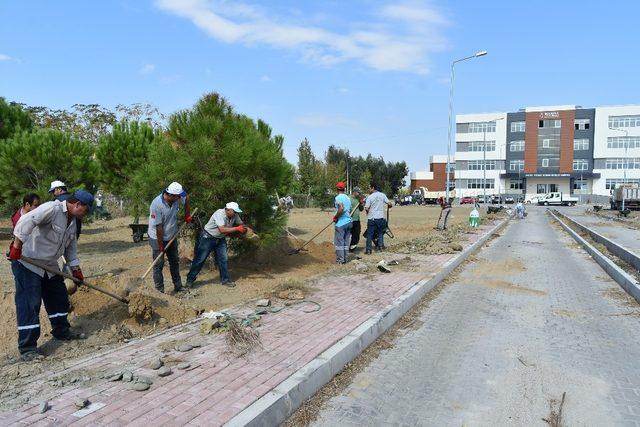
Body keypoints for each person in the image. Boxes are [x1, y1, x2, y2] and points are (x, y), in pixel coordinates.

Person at [9, 190, 94, 361]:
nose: (86, 215)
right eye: (86, 210)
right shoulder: (52, 208)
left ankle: (61, 331)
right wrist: (17, 245)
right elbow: (27, 220)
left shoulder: (73, 222)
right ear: (77, 204)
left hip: (50, 265)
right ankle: (28, 348)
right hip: (28, 262)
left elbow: (70, 248)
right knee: (29, 303)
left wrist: (75, 269)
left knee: (59, 297)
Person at [185, 202, 247, 288]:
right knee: (200, 259)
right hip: (208, 237)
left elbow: (241, 225)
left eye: (236, 212)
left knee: (223, 259)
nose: (236, 213)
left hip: (220, 238)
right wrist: (237, 228)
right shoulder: (219, 213)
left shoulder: (235, 215)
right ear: (228, 210)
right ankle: (190, 280)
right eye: (234, 211)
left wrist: (246, 229)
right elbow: (222, 229)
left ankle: (225, 280)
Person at [148, 182, 192, 293]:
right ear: (171, 195)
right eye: (178, 196)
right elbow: (159, 227)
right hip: (157, 237)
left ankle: (178, 286)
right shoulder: (156, 204)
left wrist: (187, 214)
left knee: (174, 261)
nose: (179, 198)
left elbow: (186, 196)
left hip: (172, 235)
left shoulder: (176, 198)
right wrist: (161, 245)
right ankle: (160, 290)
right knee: (159, 264)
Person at [364, 182, 392, 255]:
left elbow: (366, 208)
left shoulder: (369, 197)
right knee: (380, 233)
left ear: (373, 188)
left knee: (369, 235)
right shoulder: (382, 195)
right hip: (380, 218)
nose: (368, 189)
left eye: (369, 188)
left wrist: (367, 211)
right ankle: (380, 247)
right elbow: (389, 203)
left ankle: (369, 250)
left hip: (372, 218)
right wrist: (389, 206)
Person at [333, 182, 353, 264]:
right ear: (344, 189)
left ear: (337, 189)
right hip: (349, 222)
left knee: (339, 242)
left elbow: (341, 208)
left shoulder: (338, 197)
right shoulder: (348, 198)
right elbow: (350, 210)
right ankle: (345, 258)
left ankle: (340, 260)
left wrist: (336, 217)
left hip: (341, 223)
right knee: (346, 242)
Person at [349, 187, 365, 251]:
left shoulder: (358, 199)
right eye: (358, 193)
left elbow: (361, 209)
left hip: (357, 220)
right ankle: (345, 248)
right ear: (354, 192)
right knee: (348, 234)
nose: (359, 194)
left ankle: (352, 248)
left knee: (356, 234)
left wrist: (361, 203)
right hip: (350, 220)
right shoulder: (349, 199)